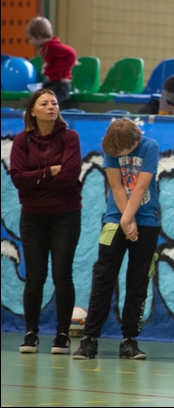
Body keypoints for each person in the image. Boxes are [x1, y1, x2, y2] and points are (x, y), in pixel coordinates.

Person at [72, 118, 162, 360]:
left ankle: (129, 340)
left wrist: (129, 220)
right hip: (115, 220)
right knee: (103, 278)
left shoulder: (150, 146)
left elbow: (140, 187)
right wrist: (125, 220)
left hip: (147, 221)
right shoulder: (111, 146)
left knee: (138, 281)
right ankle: (89, 339)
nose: (119, 154)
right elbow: (116, 185)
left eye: (125, 150)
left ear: (135, 141)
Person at [10, 89, 82, 355]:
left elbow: (70, 176)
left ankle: (62, 335)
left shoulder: (70, 138)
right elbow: (18, 178)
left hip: (66, 215)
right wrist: (50, 171)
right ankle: (31, 333)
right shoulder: (22, 141)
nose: (51, 106)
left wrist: (36, 179)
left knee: (62, 274)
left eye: (54, 102)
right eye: (44, 103)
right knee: (35, 277)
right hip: (32, 216)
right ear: (32, 111)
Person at [24, 16, 77, 109]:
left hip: (59, 84)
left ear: (39, 37)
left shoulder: (52, 46)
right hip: (51, 82)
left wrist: (64, 74)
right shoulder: (46, 47)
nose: (29, 42)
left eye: (30, 38)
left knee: (47, 105)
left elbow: (71, 53)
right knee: (33, 102)